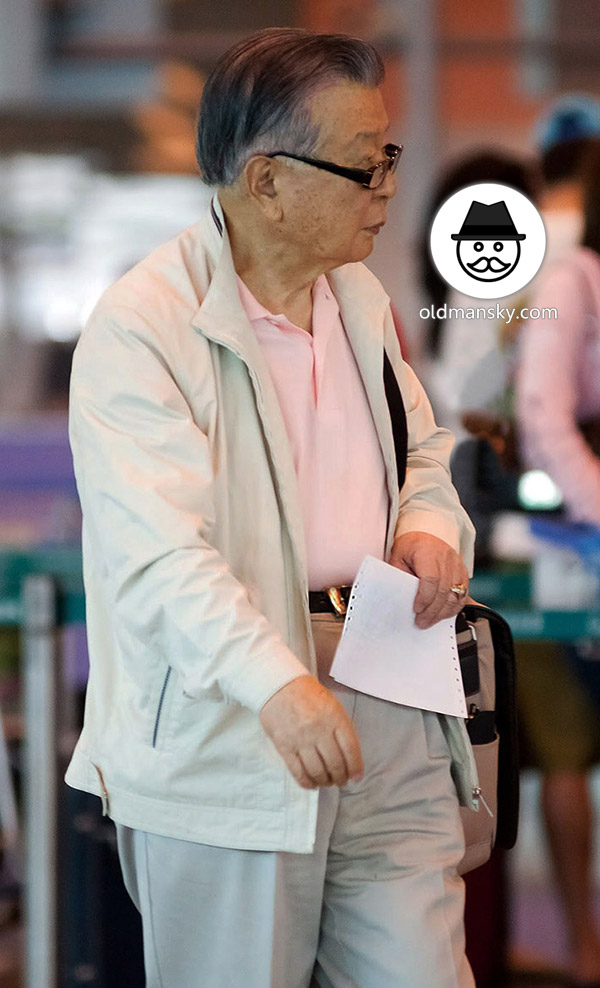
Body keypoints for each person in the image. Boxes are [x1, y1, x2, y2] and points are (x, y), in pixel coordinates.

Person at [65, 28, 478, 988]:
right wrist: (277, 686)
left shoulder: (358, 297)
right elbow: (159, 556)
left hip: (390, 689)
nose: (386, 186)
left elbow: (422, 451)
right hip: (235, 728)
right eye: (363, 164)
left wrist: (427, 527)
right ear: (266, 181)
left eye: (388, 156)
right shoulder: (143, 327)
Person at [516, 138, 600, 988]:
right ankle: (583, 947)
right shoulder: (570, 278)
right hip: (564, 550)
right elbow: (542, 413)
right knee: (567, 757)